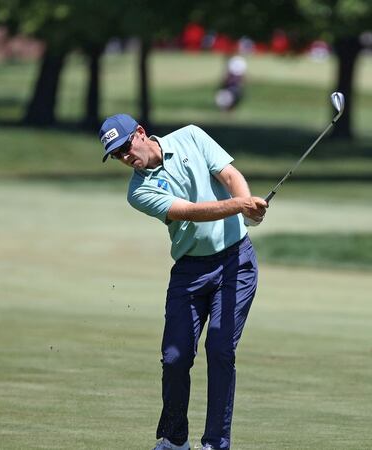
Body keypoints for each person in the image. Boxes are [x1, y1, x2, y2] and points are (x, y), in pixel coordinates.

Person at [98, 113, 268, 450]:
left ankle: (216, 443)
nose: (125, 158)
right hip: (190, 271)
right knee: (175, 357)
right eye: (117, 155)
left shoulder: (191, 136)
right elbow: (190, 211)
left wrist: (249, 207)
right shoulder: (139, 190)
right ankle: (175, 440)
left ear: (141, 133)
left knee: (220, 350)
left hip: (236, 262)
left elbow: (230, 174)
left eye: (125, 147)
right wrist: (240, 205)